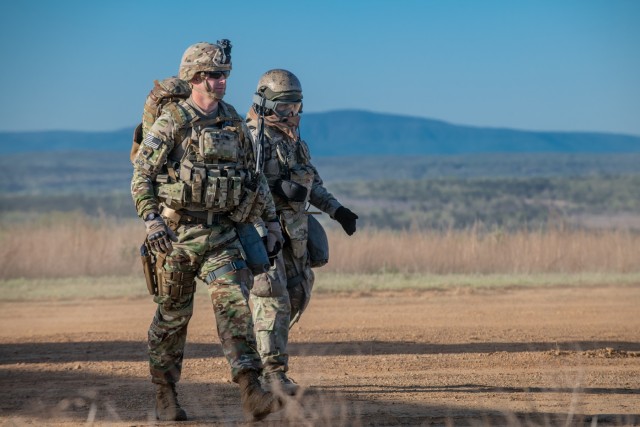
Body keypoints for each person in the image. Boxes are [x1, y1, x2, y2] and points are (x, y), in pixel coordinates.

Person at [131, 41, 284, 422]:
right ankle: (165, 394)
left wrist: (272, 222)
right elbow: (141, 177)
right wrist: (152, 221)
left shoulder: (232, 121)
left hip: (222, 236)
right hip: (177, 236)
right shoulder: (172, 123)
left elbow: (254, 178)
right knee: (172, 317)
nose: (221, 82)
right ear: (195, 78)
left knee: (235, 307)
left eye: (225, 75)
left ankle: (253, 392)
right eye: (214, 75)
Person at [246, 69, 359, 395]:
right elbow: (243, 188)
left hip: (293, 234)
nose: (292, 115)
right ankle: (273, 374)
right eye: (284, 108)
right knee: (272, 298)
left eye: (297, 108)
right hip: (263, 234)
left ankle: (252, 358)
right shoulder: (252, 139)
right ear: (264, 104)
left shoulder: (295, 144)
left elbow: (313, 185)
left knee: (298, 292)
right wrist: (278, 188)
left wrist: (338, 211)